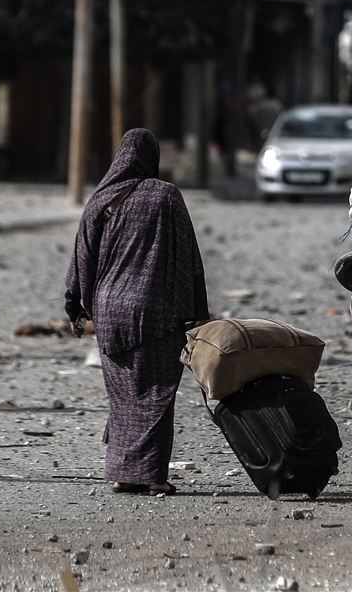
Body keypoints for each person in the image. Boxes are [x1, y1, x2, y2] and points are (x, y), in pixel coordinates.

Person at [65, 128, 209, 495]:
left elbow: (82, 258)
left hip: (110, 312)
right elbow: (189, 258)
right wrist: (198, 311)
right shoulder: (166, 196)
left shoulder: (100, 200)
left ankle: (123, 475)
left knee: (125, 395)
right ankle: (154, 477)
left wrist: (75, 309)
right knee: (156, 394)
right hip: (155, 310)